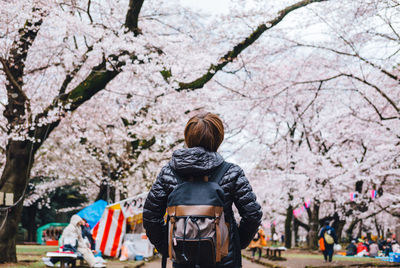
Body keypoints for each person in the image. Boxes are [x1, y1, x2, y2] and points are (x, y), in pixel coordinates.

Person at [143, 112, 263, 268]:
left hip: (182, 259)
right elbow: (252, 215)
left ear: (187, 137)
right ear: (218, 138)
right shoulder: (232, 172)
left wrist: (168, 248)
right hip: (224, 261)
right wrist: (233, 243)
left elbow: (151, 217)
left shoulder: (168, 173)